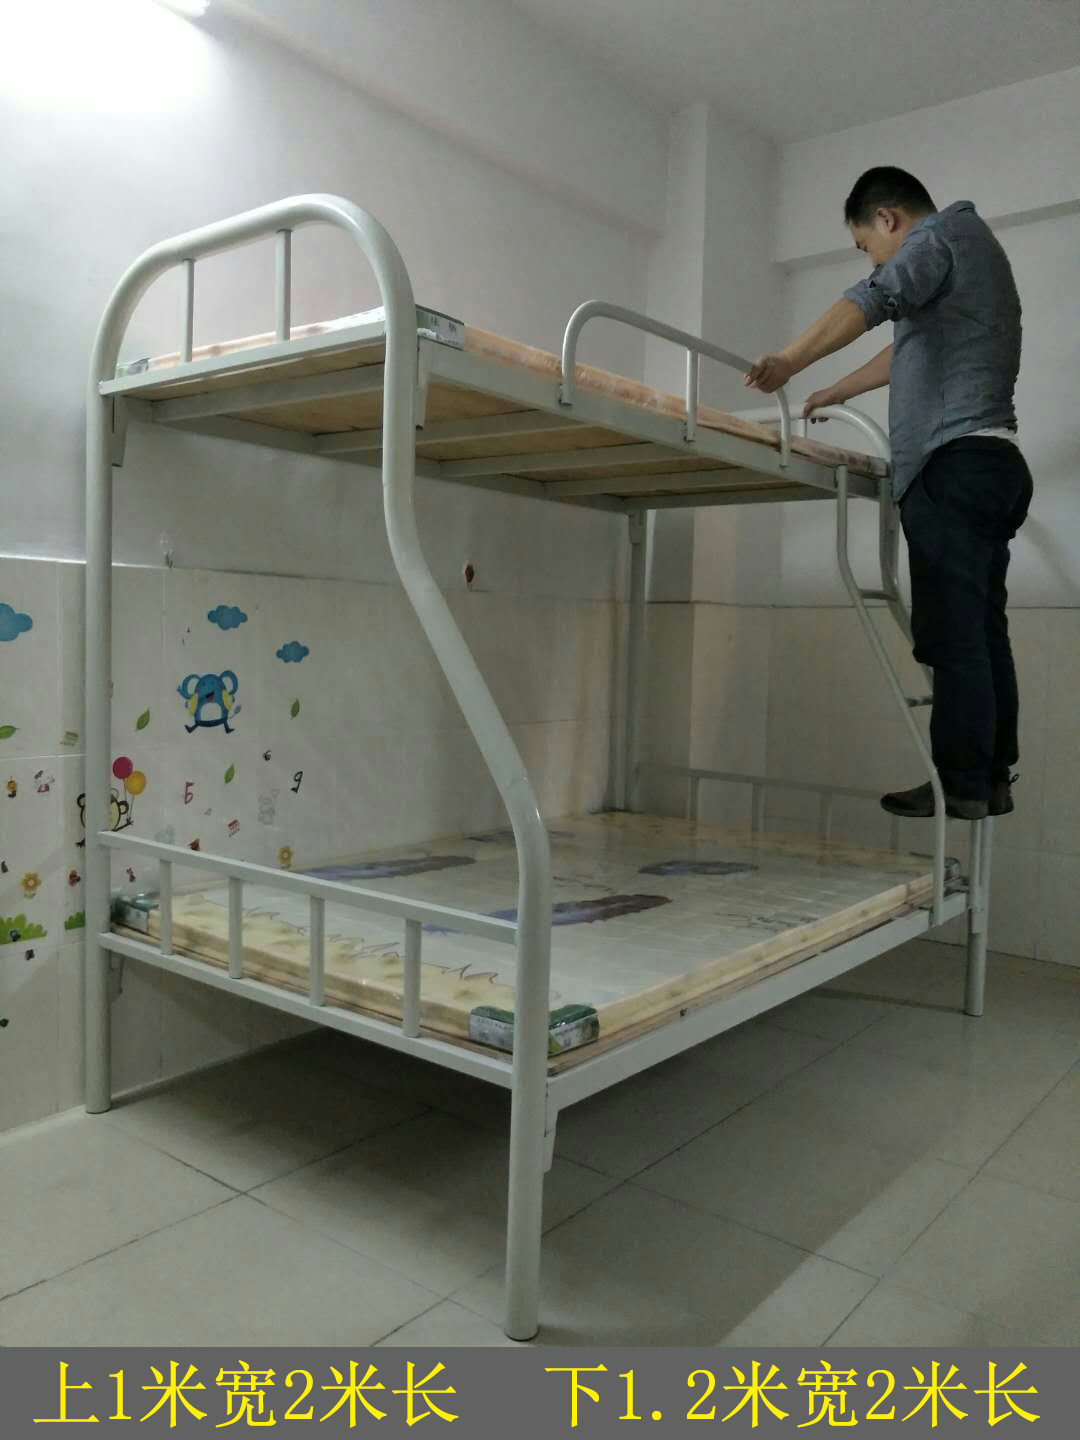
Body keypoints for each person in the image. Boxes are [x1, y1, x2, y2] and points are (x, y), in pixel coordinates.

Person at [744, 166, 1031, 822]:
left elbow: (874, 297)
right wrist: (837, 390)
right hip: (994, 464)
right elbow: (909, 350)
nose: (872, 258)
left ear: (887, 219)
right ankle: (990, 777)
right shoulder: (972, 250)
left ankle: (958, 782)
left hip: (953, 464)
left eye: (866, 244)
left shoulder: (936, 237)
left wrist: (789, 360)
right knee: (983, 630)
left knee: (951, 633)